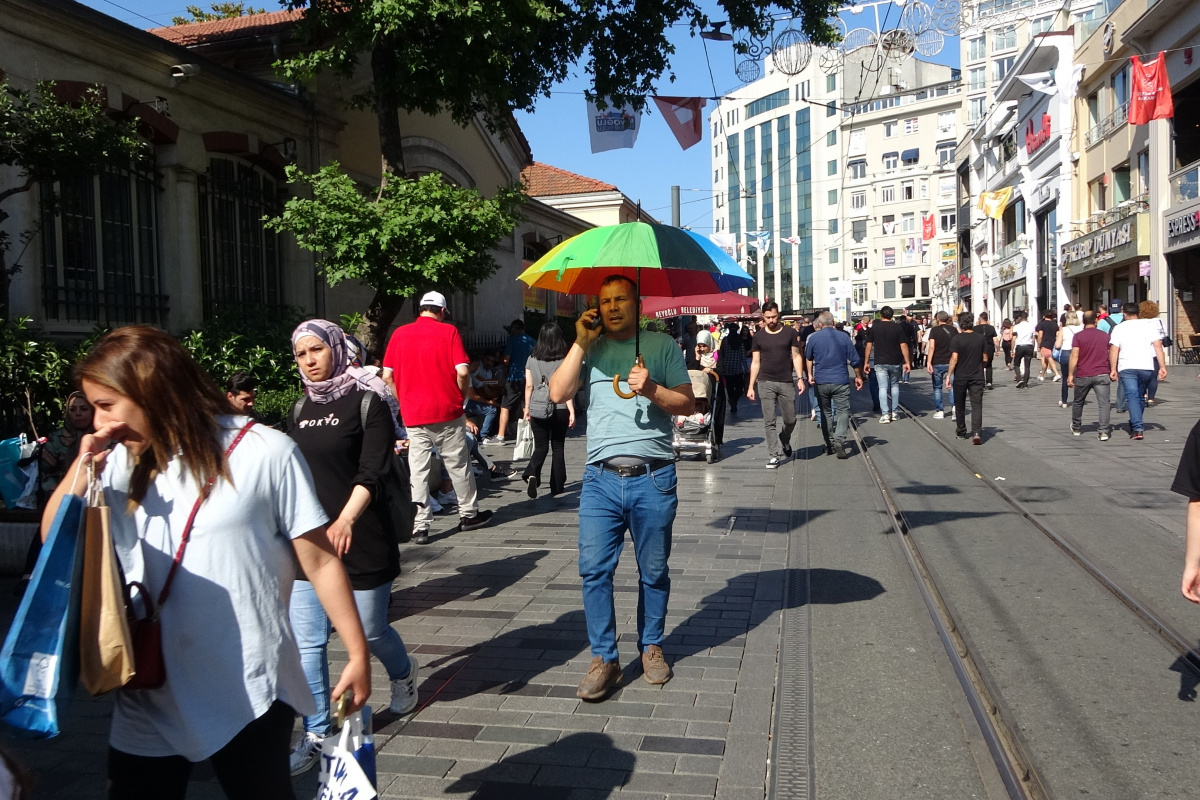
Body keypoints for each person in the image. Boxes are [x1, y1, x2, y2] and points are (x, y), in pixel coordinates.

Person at [41, 326, 371, 800]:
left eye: (107, 405)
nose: (98, 420)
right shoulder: (115, 461)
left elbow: (318, 561)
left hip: (250, 685)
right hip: (150, 685)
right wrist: (83, 464)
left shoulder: (264, 451)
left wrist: (358, 654)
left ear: (153, 393)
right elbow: (53, 536)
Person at [548, 275, 693, 701]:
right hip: (599, 481)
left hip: (654, 477)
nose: (612, 307)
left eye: (621, 300)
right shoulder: (590, 350)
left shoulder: (663, 347)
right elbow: (557, 392)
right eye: (605, 301)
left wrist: (650, 388)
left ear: (638, 304)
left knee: (653, 572)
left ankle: (651, 646)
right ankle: (604, 658)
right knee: (594, 571)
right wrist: (579, 341)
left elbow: (687, 403)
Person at [286, 320, 419, 775]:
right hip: (310, 542)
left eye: (317, 350)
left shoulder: (368, 400)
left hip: (362, 538)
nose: (309, 360)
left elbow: (374, 470)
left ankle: (402, 675)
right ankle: (318, 731)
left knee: (370, 630)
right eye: (301, 353)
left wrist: (345, 518)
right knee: (308, 643)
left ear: (337, 349)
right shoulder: (299, 406)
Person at [382, 291, 493, 544]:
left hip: (414, 414)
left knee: (418, 471)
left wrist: (404, 402)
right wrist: (460, 397)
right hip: (447, 411)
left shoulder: (399, 334)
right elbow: (463, 372)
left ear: (419, 308)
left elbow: (387, 377)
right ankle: (468, 515)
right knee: (458, 465)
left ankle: (420, 526)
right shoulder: (449, 332)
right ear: (442, 311)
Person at [747, 302, 807, 468]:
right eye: (768, 318)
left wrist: (800, 378)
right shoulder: (758, 337)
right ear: (763, 317)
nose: (771, 320)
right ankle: (773, 454)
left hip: (786, 381)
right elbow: (756, 362)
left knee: (791, 419)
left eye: (774, 317)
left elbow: (796, 356)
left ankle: (785, 438)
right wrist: (751, 386)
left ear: (778, 315)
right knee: (769, 420)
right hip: (765, 382)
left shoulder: (790, 333)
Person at [522, 322, 575, 499]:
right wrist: (572, 411)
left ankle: (532, 472)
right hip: (559, 407)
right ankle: (557, 485)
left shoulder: (531, 359)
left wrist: (527, 408)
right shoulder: (564, 360)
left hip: (537, 406)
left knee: (541, 445)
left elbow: (529, 386)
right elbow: (567, 388)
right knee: (558, 446)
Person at [805, 312, 863, 459]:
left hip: (822, 381)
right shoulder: (844, 337)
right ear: (833, 322)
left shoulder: (814, 338)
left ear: (820, 324)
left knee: (825, 412)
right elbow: (855, 360)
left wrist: (810, 375)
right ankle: (840, 439)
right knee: (843, 411)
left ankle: (829, 443)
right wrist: (858, 376)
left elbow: (808, 357)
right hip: (840, 380)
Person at [1108, 302, 1168, 440]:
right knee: (1139, 396)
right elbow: (1158, 346)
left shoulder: (1119, 328)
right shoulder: (1149, 326)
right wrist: (1162, 366)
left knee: (1133, 396)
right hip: (1146, 366)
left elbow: (1114, 349)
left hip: (1127, 366)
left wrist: (1113, 368)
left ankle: (1137, 428)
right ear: (1138, 313)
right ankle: (1136, 422)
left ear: (1124, 313)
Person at [1067, 311, 1112, 440]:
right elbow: (1110, 353)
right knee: (1104, 403)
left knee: (1078, 402)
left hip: (1083, 373)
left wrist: (1070, 374)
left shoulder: (1078, 336)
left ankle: (1076, 427)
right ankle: (1103, 431)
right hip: (1102, 372)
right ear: (1096, 321)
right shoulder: (1105, 336)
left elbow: (1075, 355)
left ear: (1083, 321)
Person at [39, 390, 94, 494]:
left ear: (92, 411)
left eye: (84, 409)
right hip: (63, 496)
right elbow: (46, 474)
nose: (78, 413)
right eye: (72, 409)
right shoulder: (56, 439)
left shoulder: (103, 437)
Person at [862, 306, 909, 423]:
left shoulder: (875, 328)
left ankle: (885, 414)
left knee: (882, 387)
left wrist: (866, 362)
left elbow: (868, 345)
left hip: (880, 361)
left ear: (881, 315)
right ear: (891, 315)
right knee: (895, 385)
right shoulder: (897, 327)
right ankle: (895, 412)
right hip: (895, 360)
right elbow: (903, 345)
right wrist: (907, 362)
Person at [945, 313, 986, 445]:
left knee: (960, 405)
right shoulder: (980, 338)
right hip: (977, 375)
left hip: (961, 376)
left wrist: (948, 375)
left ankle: (961, 431)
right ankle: (976, 433)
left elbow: (954, 359)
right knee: (977, 405)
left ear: (960, 324)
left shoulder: (956, 339)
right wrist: (980, 365)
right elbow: (985, 358)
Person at [494, 320, 536, 445]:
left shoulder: (513, 340)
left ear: (514, 329)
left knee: (505, 406)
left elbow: (506, 360)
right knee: (526, 405)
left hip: (514, 378)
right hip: (529, 377)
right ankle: (530, 433)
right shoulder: (532, 341)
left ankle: (500, 436)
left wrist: (505, 368)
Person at [925, 311, 956, 418]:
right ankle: (954, 408)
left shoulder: (934, 330)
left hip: (937, 361)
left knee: (937, 387)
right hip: (951, 362)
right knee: (952, 386)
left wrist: (928, 362)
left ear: (937, 319)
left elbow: (932, 347)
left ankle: (940, 411)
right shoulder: (954, 330)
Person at [466, 352, 502, 441]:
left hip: (468, 401)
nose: (476, 367)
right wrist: (489, 402)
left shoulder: (470, 376)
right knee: (491, 410)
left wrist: (485, 386)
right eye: (475, 365)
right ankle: (483, 436)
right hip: (466, 403)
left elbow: (479, 383)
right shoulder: (466, 376)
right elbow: (473, 396)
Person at [1140, 300, 1167, 405]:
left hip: (1143, 352)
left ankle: (1143, 394)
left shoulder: (1140, 323)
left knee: (1142, 376)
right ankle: (1151, 398)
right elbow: (1164, 335)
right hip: (1156, 353)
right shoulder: (1159, 321)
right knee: (1153, 377)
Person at [1055, 312, 1083, 408]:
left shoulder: (1064, 329)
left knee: (1065, 377)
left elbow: (1057, 345)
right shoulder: (1081, 329)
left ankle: (1064, 401)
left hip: (1066, 353)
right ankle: (1078, 400)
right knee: (1077, 378)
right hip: (1079, 354)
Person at [718, 321, 747, 414]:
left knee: (729, 387)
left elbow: (721, 354)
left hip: (727, 367)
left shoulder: (725, 340)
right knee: (740, 386)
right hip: (737, 367)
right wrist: (746, 367)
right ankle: (734, 400)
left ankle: (732, 401)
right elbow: (742, 355)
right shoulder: (739, 340)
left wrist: (721, 366)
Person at [1011, 311, 1036, 388]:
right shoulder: (1031, 326)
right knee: (1027, 366)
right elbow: (1033, 338)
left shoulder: (1017, 327)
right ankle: (1025, 382)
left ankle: (1019, 379)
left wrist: (1012, 349)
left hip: (1020, 346)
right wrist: (1033, 348)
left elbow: (1014, 339)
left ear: (1020, 318)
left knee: (1016, 364)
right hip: (1029, 346)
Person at [1035, 309, 1061, 382]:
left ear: (1044, 316)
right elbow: (1057, 335)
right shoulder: (1055, 324)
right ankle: (1042, 375)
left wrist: (1039, 345)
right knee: (1046, 360)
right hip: (1052, 343)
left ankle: (1057, 374)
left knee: (1049, 358)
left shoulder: (1041, 324)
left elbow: (1040, 335)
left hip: (1045, 343)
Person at [975, 312, 998, 389]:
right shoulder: (991, 328)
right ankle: (989, 382)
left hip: (979, 348)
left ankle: (981, 382)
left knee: (980, 365)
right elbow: (995, 340)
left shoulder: (975, 328)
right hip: (989, 348)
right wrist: (998, 349)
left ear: (980, 318)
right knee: (989, 365)